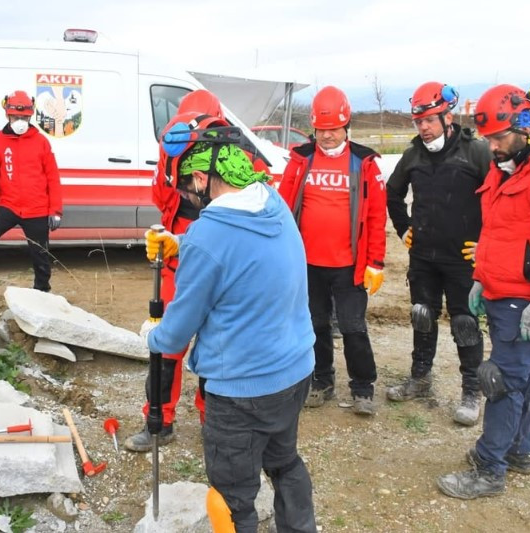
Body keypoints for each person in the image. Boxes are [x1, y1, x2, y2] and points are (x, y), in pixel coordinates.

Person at [144, 113, 317, 532]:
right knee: (284, 462)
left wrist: (153, 334)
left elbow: (179, 329)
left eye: (188, 188)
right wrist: (179, 243)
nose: (189, 199)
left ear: (202, 178)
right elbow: (241, 254)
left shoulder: (209, 234)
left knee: (229, 498)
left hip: (242, 392)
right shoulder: (270, 202)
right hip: (294, 373)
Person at [437, 84, 530, 499]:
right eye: (488, 140)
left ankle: (489, 468)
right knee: (521, 374)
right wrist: (483, 277)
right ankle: (519, 451)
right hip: (505, 292)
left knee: (500, 378)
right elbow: (500, 231)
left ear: (524, 125)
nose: (493, 147)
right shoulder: (508, 165)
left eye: (500, 138)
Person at [125, 90, 269, 452]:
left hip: (222, 268)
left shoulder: (243, 156)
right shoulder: (174, 153)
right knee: (167, 346)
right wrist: (166, 163)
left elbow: (256, 202)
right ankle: (158, 419)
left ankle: (213, 422)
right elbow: (164, 199)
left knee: (216, 345)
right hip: (177, 265)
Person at [386, 81, 491, 426]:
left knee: (465, 323)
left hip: (463, 260)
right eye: (419, 122)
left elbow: (500, 199)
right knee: (422, 316)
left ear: (448, 116)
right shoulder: (413, 155)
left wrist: (486, 243)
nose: (424, 127)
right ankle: (420, 378)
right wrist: (404, 229)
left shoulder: (475, 152)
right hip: (424, 258)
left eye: (430, 120)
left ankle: (471, 390)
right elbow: (393, 193)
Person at [278, 85, 386, 416]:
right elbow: (282, 205)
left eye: (334, 130)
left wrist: (376, 262)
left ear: (346, 127)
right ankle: (321, 380)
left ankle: (363, 387)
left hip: (349, 264)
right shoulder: (301, 160)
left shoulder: (364, 163)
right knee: (315, 324)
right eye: (322, 130)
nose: (327, 137)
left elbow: (376, 215)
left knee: (353, 326)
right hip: (308, 263)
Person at [0, 91, 63, 302]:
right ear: (8, 115)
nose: (20, 122)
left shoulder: (41, 142)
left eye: (24, 118)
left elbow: (53, 177)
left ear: (30, 116)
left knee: (40, 253)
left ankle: (42, 293)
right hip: (8, 206)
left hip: (37, 208)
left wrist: (55, 210)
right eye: (16, 117)